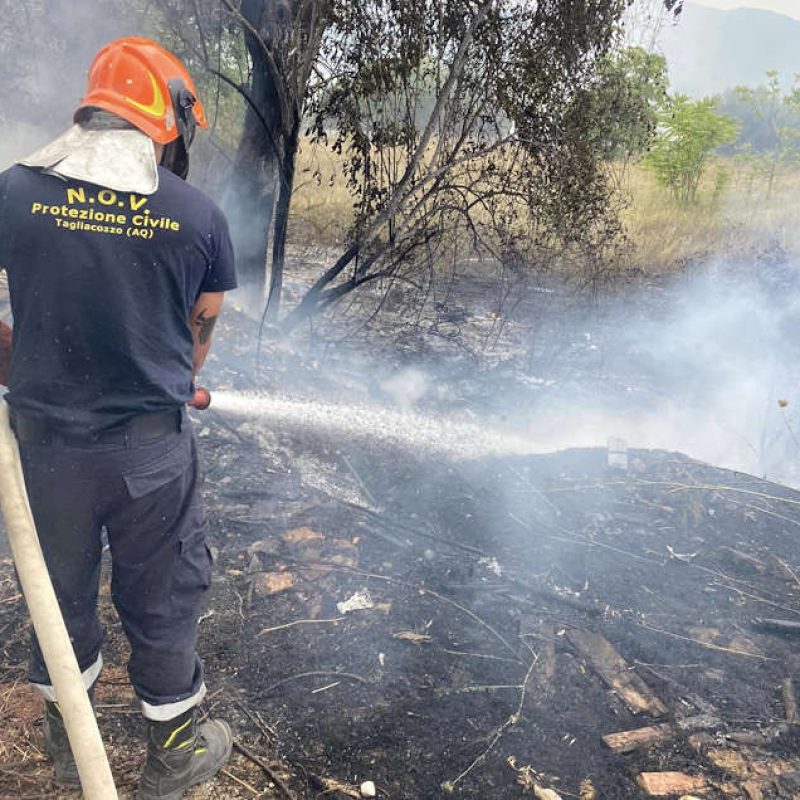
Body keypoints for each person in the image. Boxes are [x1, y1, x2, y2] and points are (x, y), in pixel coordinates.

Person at [0, 37, 236, 799]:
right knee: (164, 596)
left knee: (56, 591)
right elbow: (194, 350)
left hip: (44, 454)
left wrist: (10, 349)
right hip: (149, 459)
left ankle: (70, 743)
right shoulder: (199, 217)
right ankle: (173, 755)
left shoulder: (13, 192)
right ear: (167, 120)